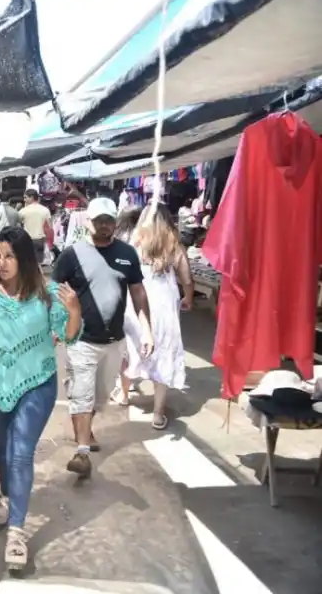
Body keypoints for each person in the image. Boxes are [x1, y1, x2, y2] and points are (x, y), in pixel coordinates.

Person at [0, 226, 82, 567]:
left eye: (9, 255)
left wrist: (74, 310)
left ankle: (16, 531)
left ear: (25, 258)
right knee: (1, 448)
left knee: (21, 452)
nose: (2, 263)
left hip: (36, 384)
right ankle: (8, 496)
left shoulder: (48, 294)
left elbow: (67, 337)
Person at [52, 197, 153, 479]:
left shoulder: (127, 254)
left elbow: (138, 292)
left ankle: (84, 429)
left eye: (109, 220)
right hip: (81, 340)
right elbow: (53, 292)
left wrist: (146, 328)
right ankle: (82, 451)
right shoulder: (72, 255)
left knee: (99, 397)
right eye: (99, 220)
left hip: (114, 341)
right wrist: (56, 327)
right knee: (81, 392)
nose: (105, 225)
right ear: (89, 222)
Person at [121, 204, 193, 428]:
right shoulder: (174, 242)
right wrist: (188, 297)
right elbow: (187, 278)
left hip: (137, 296)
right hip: (164, 302)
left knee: (131, 346)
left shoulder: (135, 240)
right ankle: (158, 413)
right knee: (163, 350)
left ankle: (123, 394)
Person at [111, 205, 143, 402]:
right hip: (138, 289)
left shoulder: (117, 239)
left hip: (120, 292)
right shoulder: (143, 238)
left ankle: (122, 382)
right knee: (136, 337)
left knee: (121, 338)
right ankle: (130, 378)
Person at [18, 189, 51, 264]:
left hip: (27, 239)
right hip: (40, 239)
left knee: (27, 263)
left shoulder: (23, 211)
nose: (24, 200)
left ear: (31, 197)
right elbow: (50, 227)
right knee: (38, 263)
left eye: (25, 197)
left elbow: (18, 224)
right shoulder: (45, 210)